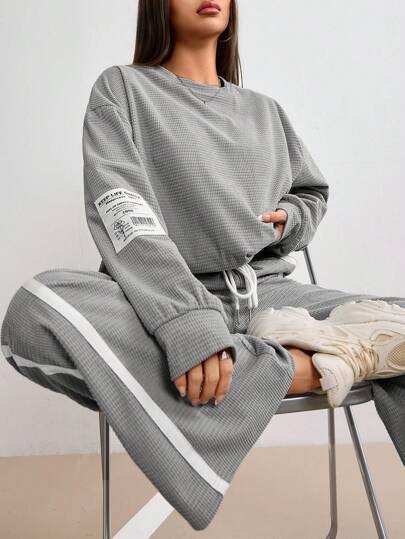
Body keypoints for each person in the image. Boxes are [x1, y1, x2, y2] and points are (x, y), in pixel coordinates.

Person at [2, 0, 405, 531]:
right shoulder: (122, 89)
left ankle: (270, 363)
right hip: (161, 301)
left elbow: (311, 192)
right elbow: (124, 213)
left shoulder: (265, 110)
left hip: (269, 296)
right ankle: (314, 366)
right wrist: (187, 322)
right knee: (37, 308)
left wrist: (289, 220)